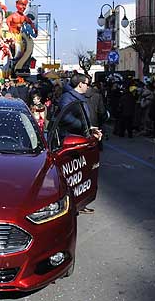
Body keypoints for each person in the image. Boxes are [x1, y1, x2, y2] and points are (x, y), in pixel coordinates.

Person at [58, 73, 102, 214]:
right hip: (72, 140)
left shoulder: (79, 97)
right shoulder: (67, 97)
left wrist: (90, 128)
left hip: (82, 138)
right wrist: (83, 127)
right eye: (87, 84)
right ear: (80, 84)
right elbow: (65, 118)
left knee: (83, 172)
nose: (88, 87)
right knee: (73, 173)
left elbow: (84, 118)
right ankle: (71, 204)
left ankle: (81, 201)